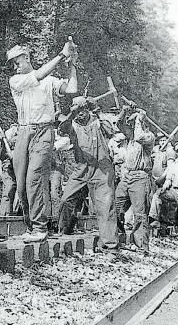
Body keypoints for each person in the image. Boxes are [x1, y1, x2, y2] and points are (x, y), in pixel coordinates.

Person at [5, 40, 78, 242]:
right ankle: (31, 225)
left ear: (26, 58)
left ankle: (40, 227)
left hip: (44, 132)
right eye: (11, 64)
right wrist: (61, 55)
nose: (14, 67)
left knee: (34, 178)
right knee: (21, 183)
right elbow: (38, 75)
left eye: (16, 62)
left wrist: (72, 65)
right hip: (23, 132)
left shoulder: (49, 81)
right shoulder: (16, 81)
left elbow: (71, 89)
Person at [57, 97, 118, 250]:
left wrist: (97, 108)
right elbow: (62, 128)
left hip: (102, 169)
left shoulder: (99, 121)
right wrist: (71, 114)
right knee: (66, 199)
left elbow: (111, 131)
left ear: (88, 110)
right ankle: (65, 232)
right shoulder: (73, 124)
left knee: (105, 207)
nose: (80, 115)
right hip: (82, 168)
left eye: (82, 111)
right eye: (77, 112)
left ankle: (110, 245)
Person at [114, 106, 155, 253]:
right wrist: (125, 111)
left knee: (139, 213)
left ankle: (141, 246)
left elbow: (139, 136)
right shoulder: (130, 137)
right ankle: (118, 238)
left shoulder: (149, 137)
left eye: (134, 123)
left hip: (140, 176)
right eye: (131, 123)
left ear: (143, 124)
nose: (131, 125)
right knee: (116, 207)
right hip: (128, 176)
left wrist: (140, 117)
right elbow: (118, 124)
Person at [0, 123, 19, 216]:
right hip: (10, 165)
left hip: (24, 163)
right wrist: (2, 141)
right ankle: (4, 217)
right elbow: (0, 154)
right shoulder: (10, 132)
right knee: (9, 189)